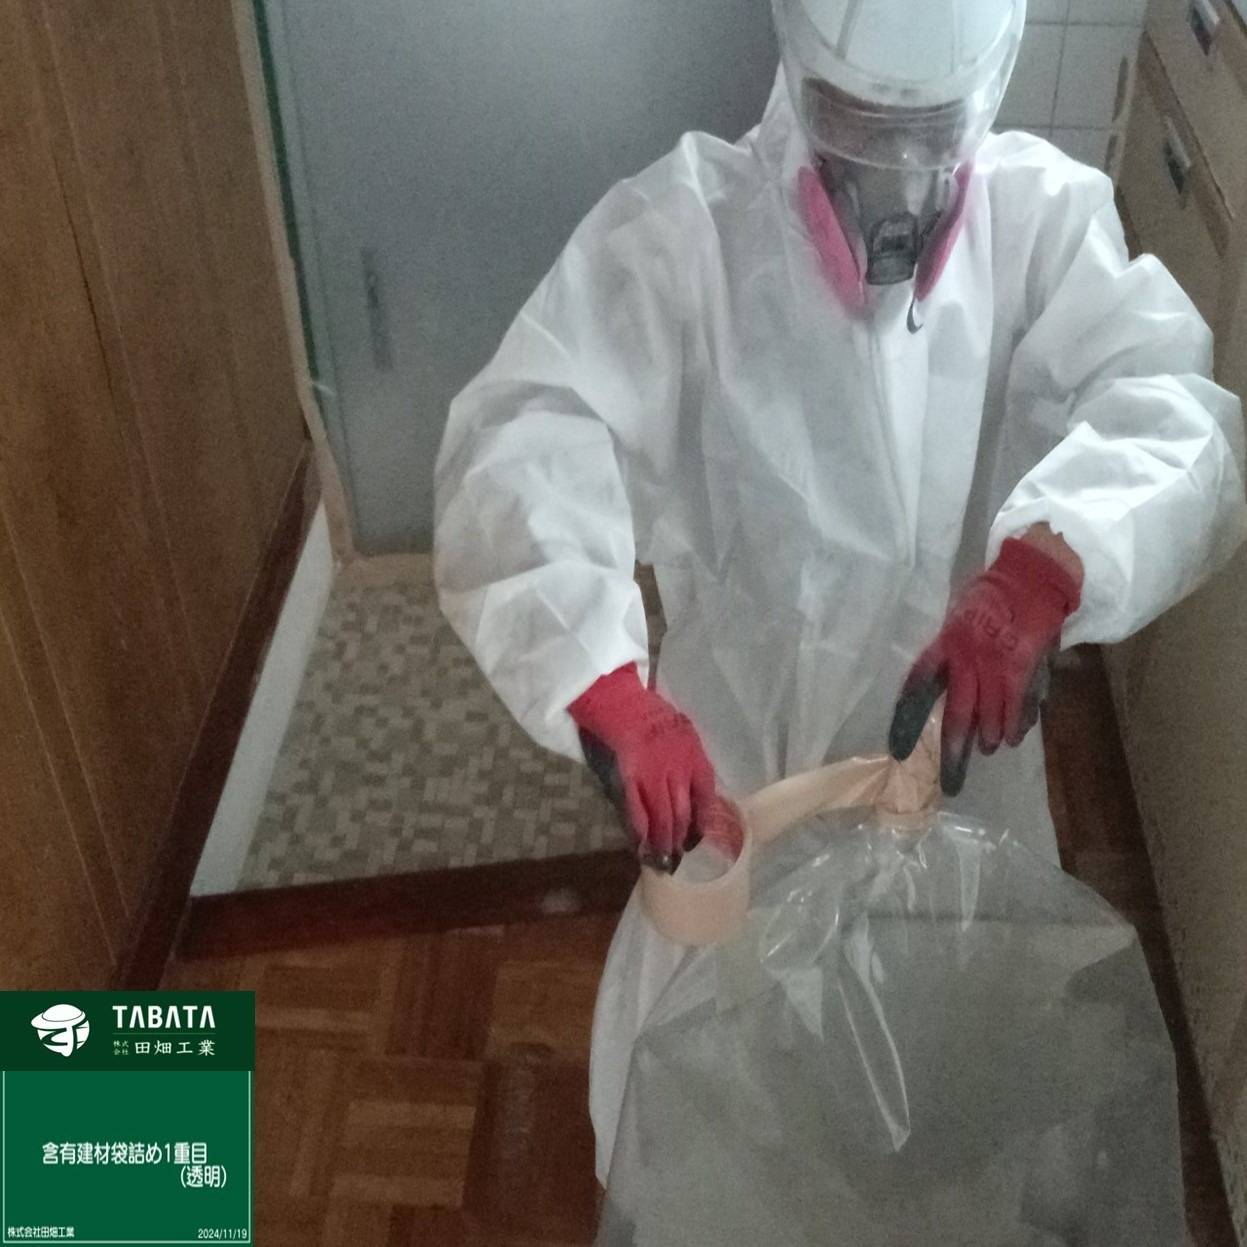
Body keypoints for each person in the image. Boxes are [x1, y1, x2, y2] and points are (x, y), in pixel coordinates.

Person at [435, 0, 1246, 1181]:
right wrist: (599, 680)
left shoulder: (1042, 222)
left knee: (965, 1100)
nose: (894, 183)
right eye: (859, 130)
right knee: (725, 1121)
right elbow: (525, 435)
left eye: (925, 135)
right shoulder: (687, 236)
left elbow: (1165, 412)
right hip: (740, 781)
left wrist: (1045, 564)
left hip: (963, 770)